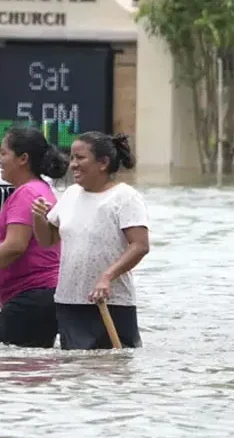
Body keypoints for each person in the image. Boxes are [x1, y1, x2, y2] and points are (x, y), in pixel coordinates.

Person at [31, 131, 150, 350]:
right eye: (72, 158)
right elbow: (47, 240)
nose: (72, 164)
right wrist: (38, 217)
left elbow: (140, 246)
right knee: (75, 372)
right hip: (69, 300)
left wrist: (107, 276)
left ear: (103, 163)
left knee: (111, 372)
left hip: (110, 302)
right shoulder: (70, 194)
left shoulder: (125, 197)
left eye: (80, 158)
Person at [0, 126, 69, 348]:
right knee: (26, 370)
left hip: (32, 296)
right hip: (40, 296)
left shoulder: (27, 193)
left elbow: (15, 245)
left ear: (23, 159)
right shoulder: (40, 189)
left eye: (3, 153)